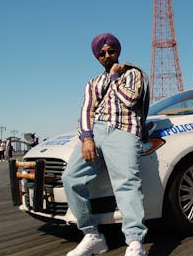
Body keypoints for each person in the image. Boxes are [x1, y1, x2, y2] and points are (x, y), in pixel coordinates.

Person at [62, 33, 149, 256]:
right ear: (97, 57)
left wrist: (113, 77)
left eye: (111, 51)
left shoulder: (133, 73)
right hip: (96, 131)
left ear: (118, 51)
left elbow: (130, 100)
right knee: (71, 178)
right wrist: (87, 138)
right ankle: (92, 235)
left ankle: (135, 241)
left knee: (127, 182)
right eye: (102, 54)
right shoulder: (92, 83)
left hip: (124, 129)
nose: (107, 56)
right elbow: (86, 110)